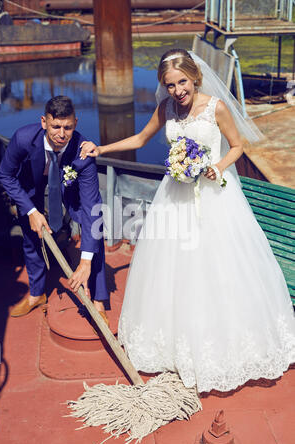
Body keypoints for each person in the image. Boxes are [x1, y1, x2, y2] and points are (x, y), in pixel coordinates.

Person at [80, 49, 295, 393]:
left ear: (195, 77)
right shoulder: (166, 109)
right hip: (175, 195)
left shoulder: (216, 107)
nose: (178, 90)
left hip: (215, 196)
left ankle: (224, 345)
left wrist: (217, 167)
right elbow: (140, 139)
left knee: (219, 267)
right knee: (173, 269)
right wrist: (100, 150)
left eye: (182, 82)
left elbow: (237, 147)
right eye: (170, 85)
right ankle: (176, 346)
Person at [0, 95, 109, 323]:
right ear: (43, 122)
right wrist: (31, 211)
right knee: (31, 238)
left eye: (67, 127)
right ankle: (37, 294)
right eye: (55, 126)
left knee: (94, 230)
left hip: (71, 192)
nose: (61, 133)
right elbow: (5, 174)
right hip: (32, 187)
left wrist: (85, 261)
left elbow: (92, 208)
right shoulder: (23, 138)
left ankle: (98, 299)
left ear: (75, 123)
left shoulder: (83, 152)